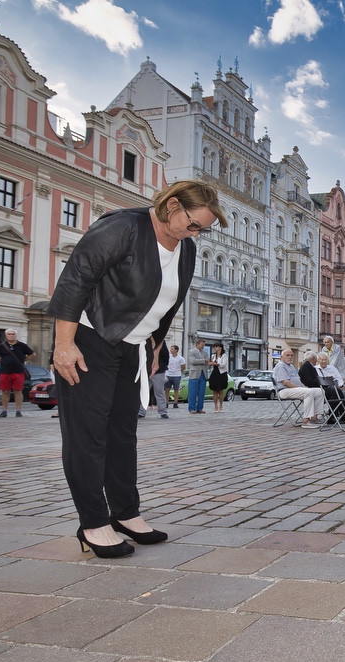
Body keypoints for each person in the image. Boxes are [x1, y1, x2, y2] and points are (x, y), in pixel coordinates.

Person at [48, 179, 226, 558]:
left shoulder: (187, 249)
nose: (197, 233)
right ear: (172, 205)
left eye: (203, 229)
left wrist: (156, 347)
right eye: (194, 224)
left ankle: (125, 514)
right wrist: (64, 344)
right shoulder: (123, 227)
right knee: (87, 437)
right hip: (90, 339)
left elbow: (169, 303)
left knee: (123, 435)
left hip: (133, 348)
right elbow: (74, 280)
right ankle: (93, 523)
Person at [273, 348, 326, 428]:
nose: (290, 357)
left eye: (291, 355)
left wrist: (303, 387)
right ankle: (306, 421)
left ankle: (314, 417)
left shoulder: (291, 366)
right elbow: (286, 382)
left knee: (320, 391)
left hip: (294, 389)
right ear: (281, 357)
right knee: (309, 392)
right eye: (287, 355)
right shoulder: (281, 365)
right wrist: (301, 388)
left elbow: (298, 380)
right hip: (284, 390)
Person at [0, 328, 35, 417]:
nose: (11, 335)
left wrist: (23, 359)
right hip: (5, 371)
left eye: (13, 334)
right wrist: (2, 360)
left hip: (18, 371)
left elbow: (33, 354)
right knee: (5, 391)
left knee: (18, 391)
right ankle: (4, 411)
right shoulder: (1, 346)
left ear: (16, 335)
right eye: (9, 334)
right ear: (6, 336)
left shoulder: (22, 345)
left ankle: (18, 411)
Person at [315, 351, 345, 423]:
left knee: (343, 393)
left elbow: (339, 378)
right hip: (323, 390)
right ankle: (343, 416)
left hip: (334, 388)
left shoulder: (332, 368)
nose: (324, 361)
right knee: (336, 392)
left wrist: (341, 385)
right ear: (318, 360)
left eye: (325, 360)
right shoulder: (315, 369)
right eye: (322, 360)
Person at [138, 344, 170, 419]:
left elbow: (166, 355)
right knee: (143, 392)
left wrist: (162, 366)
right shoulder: (144, 340)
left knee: (159, 392)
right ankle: (141, 412)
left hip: (158, 371)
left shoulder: (160, 341)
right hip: (145, 370)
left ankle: (163, 412)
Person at [186, 339, 209, 414]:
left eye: (204, 345)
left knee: (201, 392)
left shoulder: (205, 352)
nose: (203, 346)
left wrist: (206, 361)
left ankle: (200, 408)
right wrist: (203, 360)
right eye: (202, 345)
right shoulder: (192, 351)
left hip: (203, 374)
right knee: (192, 392)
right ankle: (192, 408)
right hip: (194, 374)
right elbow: (192, 361)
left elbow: (207, 362)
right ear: (197, 344)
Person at [208, 342, 229, 412]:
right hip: (215, 373)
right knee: (215, 390)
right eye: (214, 347)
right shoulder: (213, 355)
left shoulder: (224, 355)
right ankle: (215, 406)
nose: (215, 348)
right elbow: (211, 364)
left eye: (216, 346)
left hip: (222, 373)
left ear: (220, 347)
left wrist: (217, 364)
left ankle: (221, 406)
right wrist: (211, 363)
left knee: (221, 390)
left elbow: (224, 364)